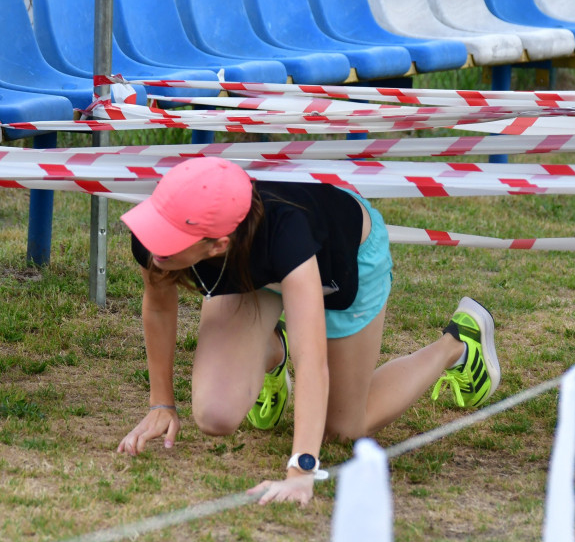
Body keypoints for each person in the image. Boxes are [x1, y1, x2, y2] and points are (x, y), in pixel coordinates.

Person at [116, 157, 500, 505]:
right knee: (215, 415)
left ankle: (457, 343)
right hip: (254, 269)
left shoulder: (290, 239)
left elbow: (312, 359)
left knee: (343, 427)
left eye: (168, 246)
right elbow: (159, 303)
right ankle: (269, 351)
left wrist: (301, 470)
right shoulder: (156, 235)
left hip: (340, 263)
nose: (153, 249)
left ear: (217, 245)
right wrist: (161, 404)